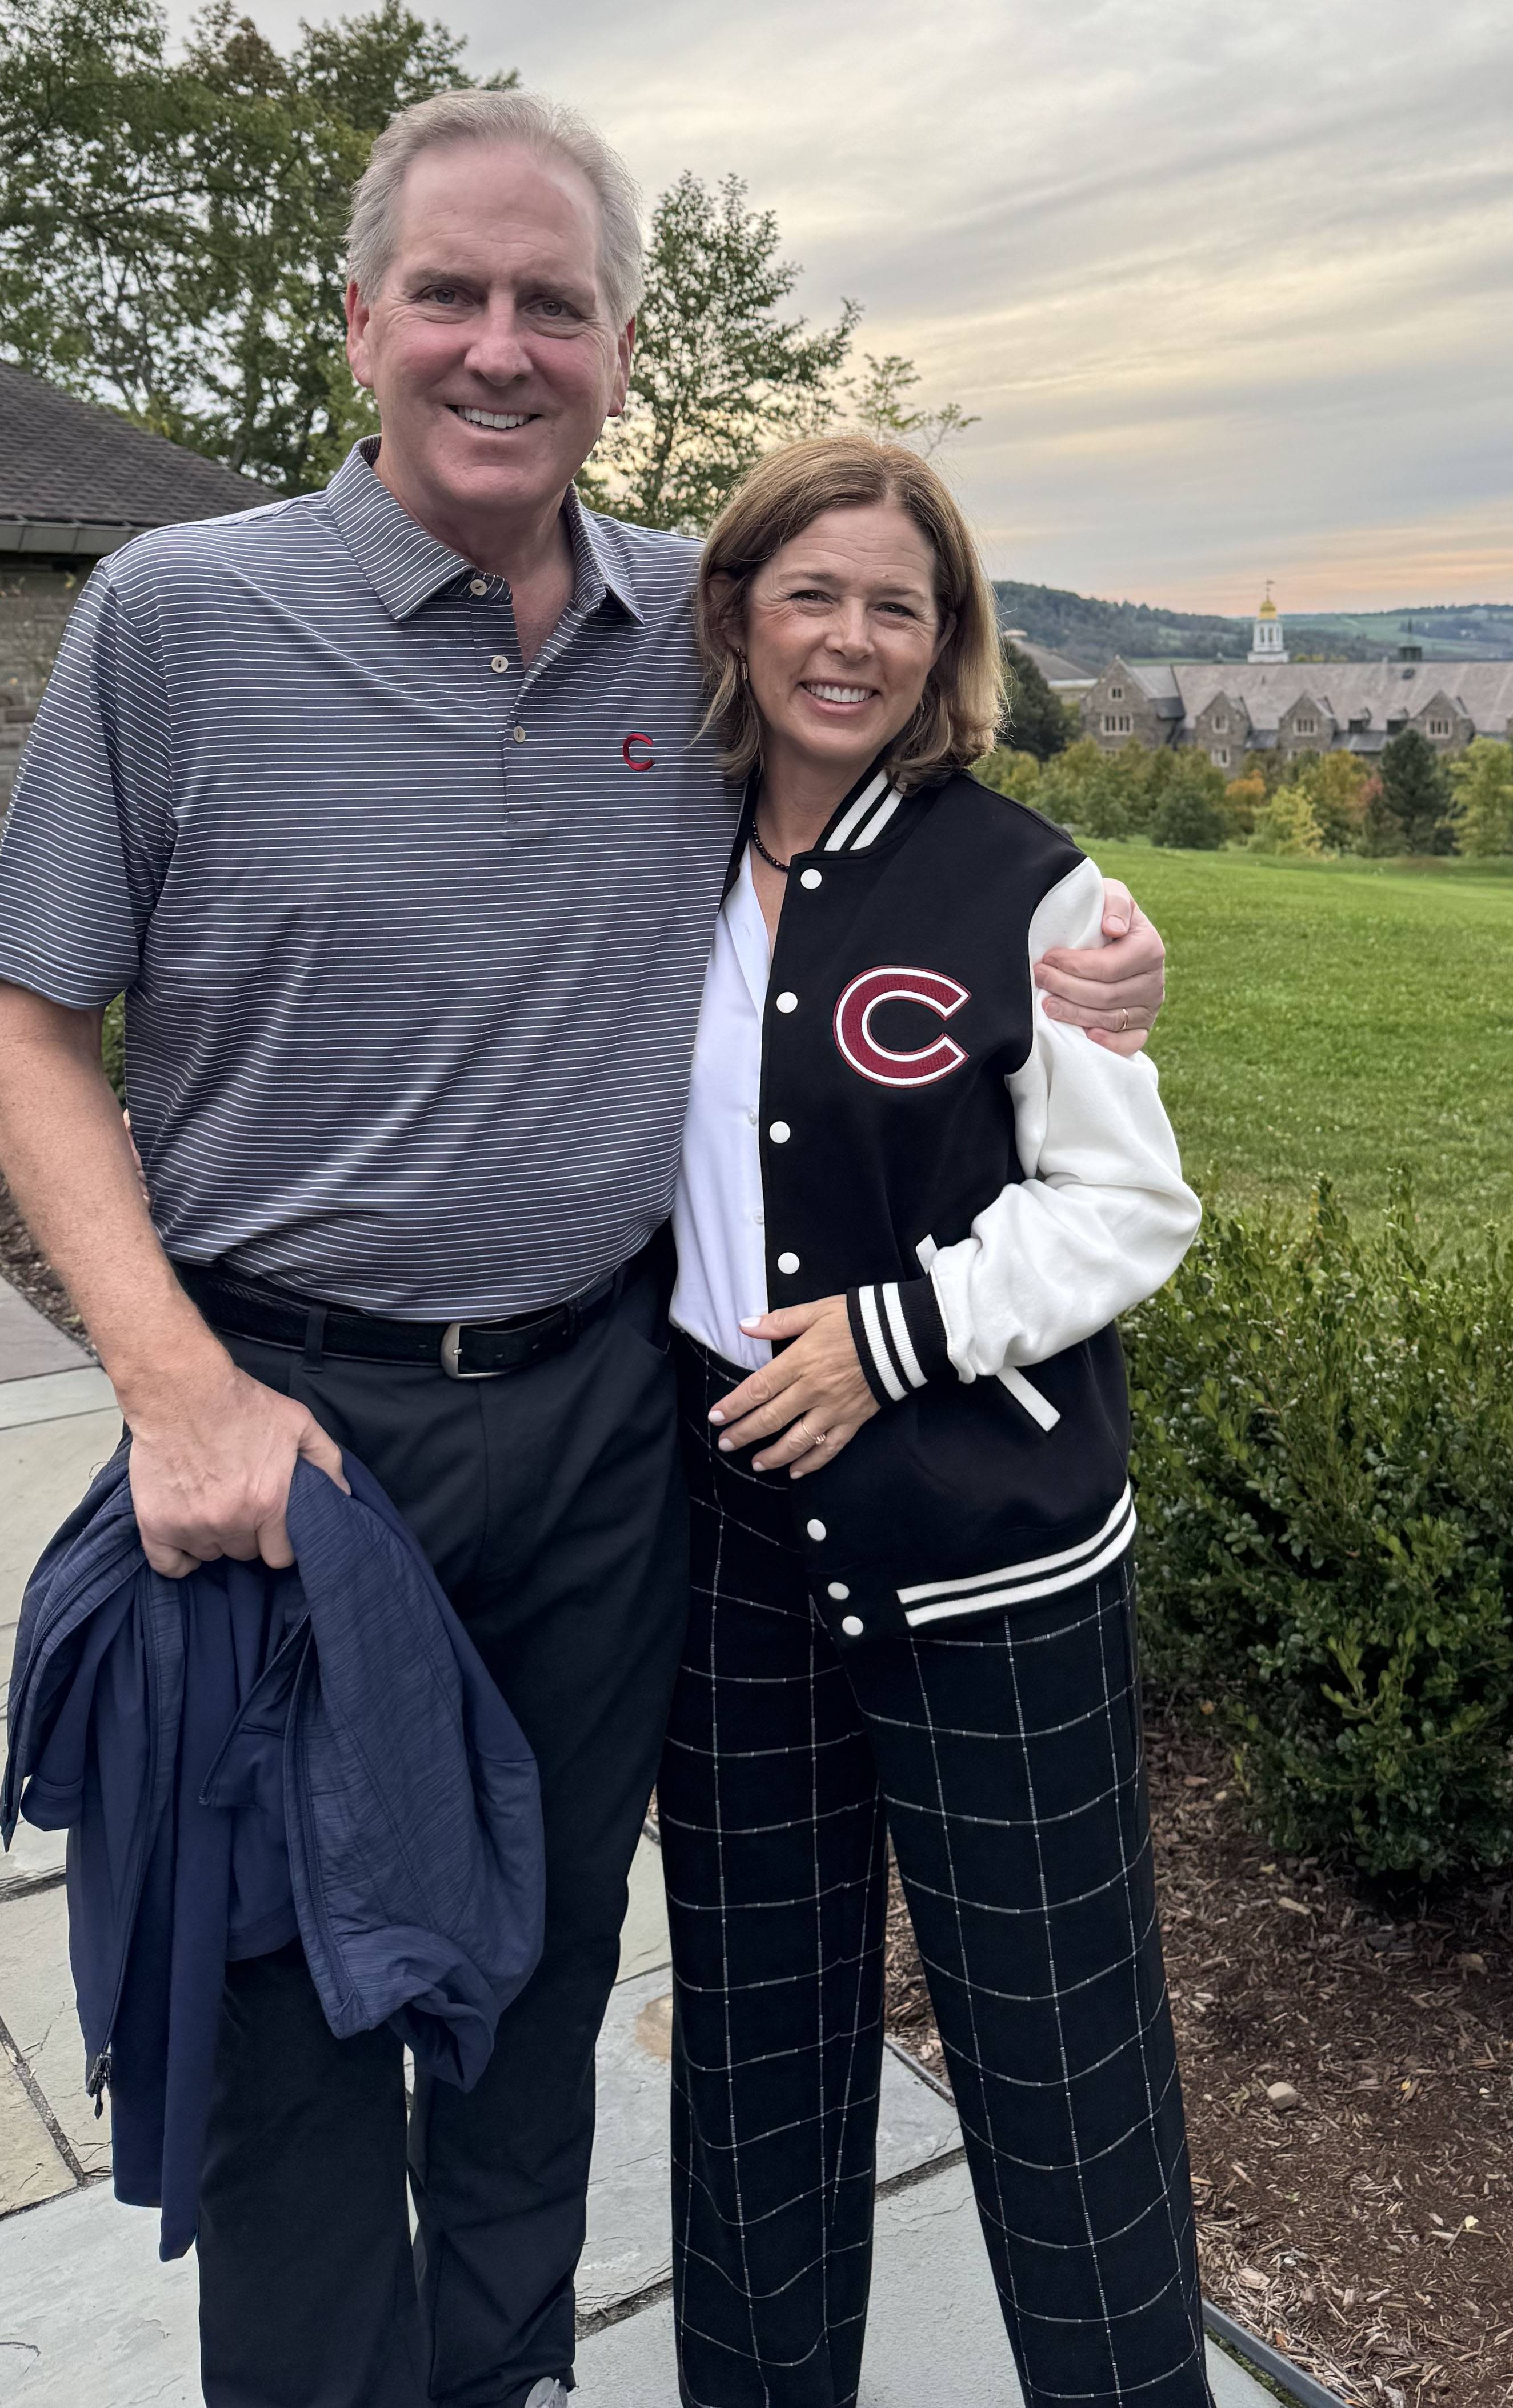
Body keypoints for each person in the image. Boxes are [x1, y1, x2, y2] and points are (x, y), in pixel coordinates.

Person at [0, 90, 1170, 2408]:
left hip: (608, 1441)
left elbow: (892, 851)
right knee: (295, 2009)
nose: (497, 348)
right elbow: (20, 1015)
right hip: (286, 1427)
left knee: (524, 1992)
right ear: (358, 326)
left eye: (553, 304)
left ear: (618, 350)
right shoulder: (177, 619)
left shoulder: (677, 655)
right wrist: (170, 1389)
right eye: (450, 294)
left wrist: (1100, 959)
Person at [660, 433, 1210, 2407]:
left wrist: (889, 1337)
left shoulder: (1040, 889)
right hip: (729, 1543)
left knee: (1062, 2066)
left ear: (947, 641)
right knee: (752, 2051)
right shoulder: (651, 841)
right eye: (810, 591)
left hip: (995, 1553)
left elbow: (1128, 1207)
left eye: (899, 604)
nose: (851, 637)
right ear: (734, 609)